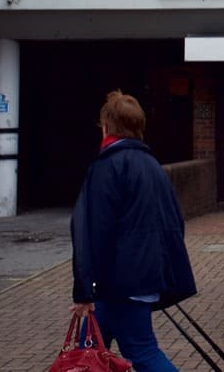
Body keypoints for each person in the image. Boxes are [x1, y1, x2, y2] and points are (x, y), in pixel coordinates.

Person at [70, 90, 197, 372]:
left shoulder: (106, 167)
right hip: (138, 279)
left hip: (120, 283)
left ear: (106, 126)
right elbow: (175, 222)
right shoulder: (152, 166)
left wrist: (83, 291)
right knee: (88, 350)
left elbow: (91, 231)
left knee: (142, 352)